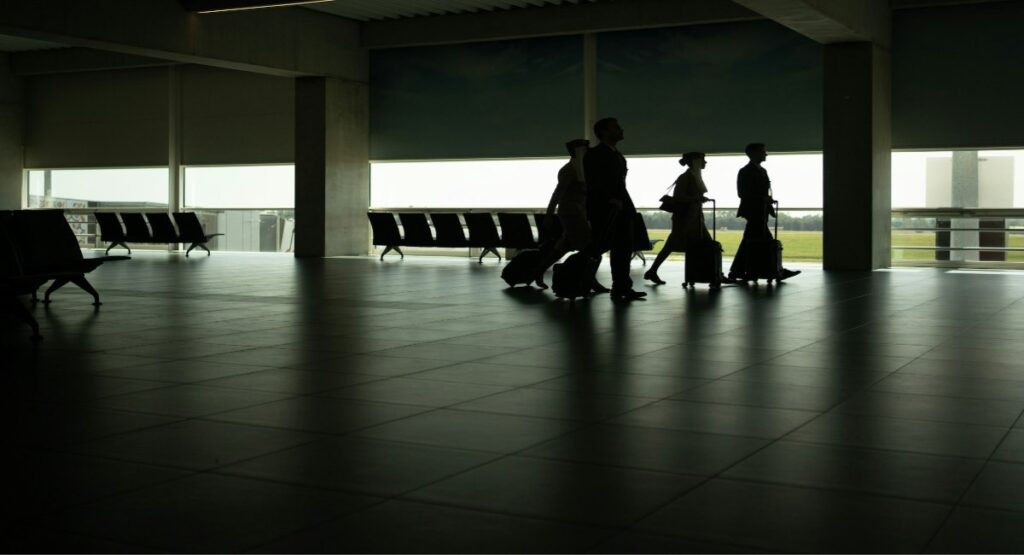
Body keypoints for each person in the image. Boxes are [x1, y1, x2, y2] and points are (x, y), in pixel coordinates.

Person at [583, 117, 646, 301]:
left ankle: (621, 286)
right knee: (609, 246)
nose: (621, 130)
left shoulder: (614, 154)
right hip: (607, 208)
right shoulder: (597, 154)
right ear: (604, 132)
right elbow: (595, 182)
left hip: (619, 206)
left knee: (622, 248)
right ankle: (590, 279)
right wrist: (610, 200)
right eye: (616, 127)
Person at [728, 143, 801, 281]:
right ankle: (776, 270)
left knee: (750, 241)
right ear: (754, 153)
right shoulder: (745, 171)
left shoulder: (761, 171)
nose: (766, 154)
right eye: (763, 152)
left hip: (761, 211)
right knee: (765, 240)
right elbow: (742, 193)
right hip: (754, 211)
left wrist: (767, 200)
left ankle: (738, 271)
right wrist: (763, 198)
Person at [643, 151, 714, 285]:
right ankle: (712, 273)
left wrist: (698, 199)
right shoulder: (686, 177)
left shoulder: (693, 177)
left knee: (699, 243)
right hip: (685, 219)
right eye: (703, 160)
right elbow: (679, 197)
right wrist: (697, 198)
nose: (705, 162)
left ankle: (713, 273)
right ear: (696, 162)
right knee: (701, 244)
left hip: (694, 217)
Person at [533, 139, 594, 289]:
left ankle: (539, 271)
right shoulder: (570, 170)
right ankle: (587, 279)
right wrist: (548, 215)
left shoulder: (580, 169)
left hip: (577, 212)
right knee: (590, 246)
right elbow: (557, 194)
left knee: (564, 246)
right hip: (571, 212)